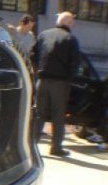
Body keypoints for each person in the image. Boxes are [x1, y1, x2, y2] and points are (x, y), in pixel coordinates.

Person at [31, 11, 81, 157]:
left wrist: (37, 72)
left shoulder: (43, 35)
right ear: (69, 22)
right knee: (58, 115)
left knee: (39, 114)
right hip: (60, 82)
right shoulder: (71, 39)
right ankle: (56, 147)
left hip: (42, 80)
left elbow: (32, 55)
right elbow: (75, 63)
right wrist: (69, 79)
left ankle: (31, 144)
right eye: (73, 21)